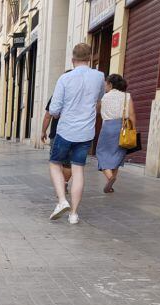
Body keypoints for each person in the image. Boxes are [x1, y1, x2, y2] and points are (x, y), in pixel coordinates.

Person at [47, 43, 105, 224]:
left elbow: (54, 109)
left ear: (73, 60)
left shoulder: (65, 79)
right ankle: (73, 214)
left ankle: (62, 201)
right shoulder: (99, 76)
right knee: (78, 169)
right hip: (86, 132)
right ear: (89, 59)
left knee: (55, 164)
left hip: (65, 130)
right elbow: (99, 99)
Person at [97, 74, 135, 194]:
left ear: (111, 84)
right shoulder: (126, 96)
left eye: (106, 84)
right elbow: (132, 114)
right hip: (122, 128)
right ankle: (111, 182)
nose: (105, 87)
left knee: (101, 153)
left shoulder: (104, 97)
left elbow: (97, 111)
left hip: (107, 127)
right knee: (117, 155)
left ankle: (110, 177)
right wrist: (133, 129)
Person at [41, 70, 74, 195]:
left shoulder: (57, 95)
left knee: (56, 162)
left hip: (57, 134)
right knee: (68, 163)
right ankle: (64, 183)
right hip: (75, 134)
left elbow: (48, 116)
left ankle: (60, 185)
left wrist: (43, 131)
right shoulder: (81, 97)